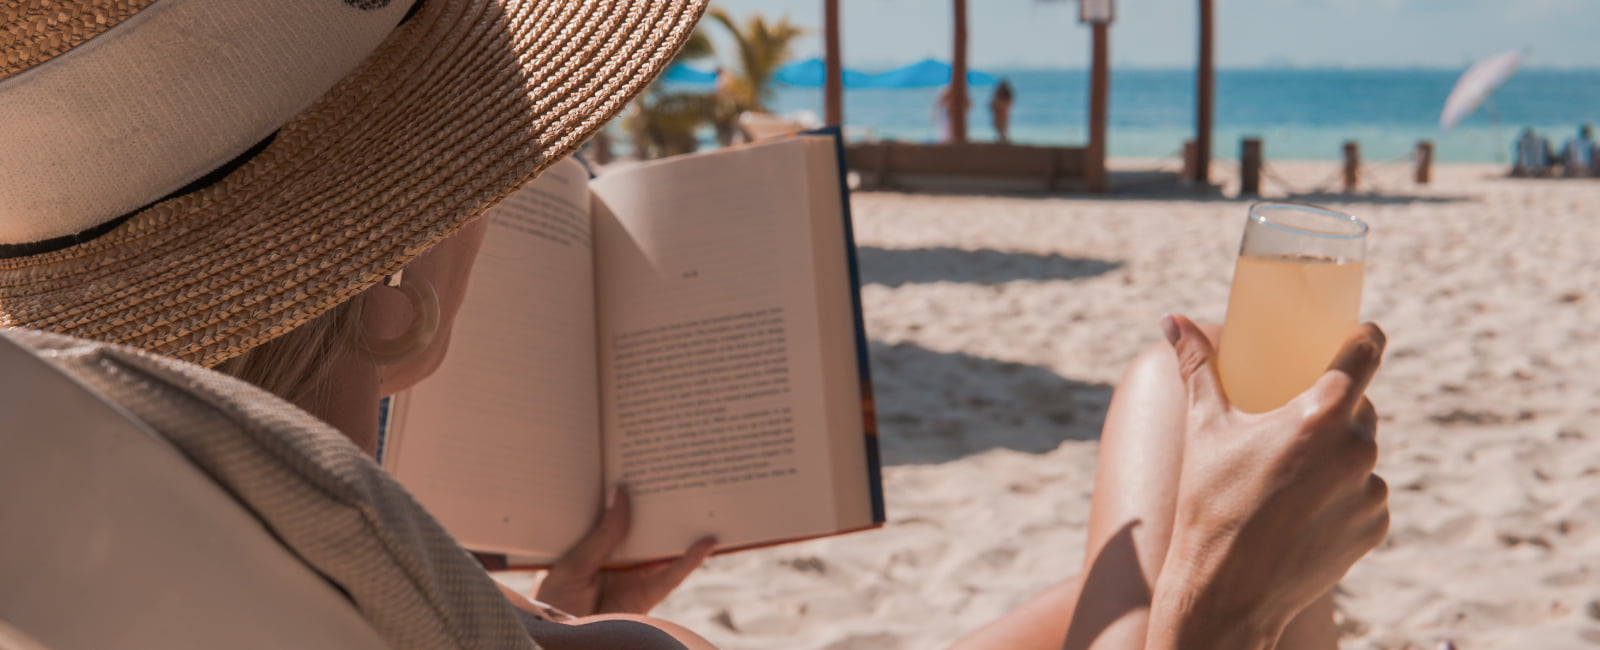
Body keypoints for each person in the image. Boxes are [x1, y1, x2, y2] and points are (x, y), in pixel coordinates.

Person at [0, 2, 1390, 649]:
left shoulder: (163, 520)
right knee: (1172, 396)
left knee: (1166, 413)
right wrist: (1214, 614)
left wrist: (534, 620)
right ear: (398, 288)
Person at [990, 78, 1015, 143]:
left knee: (1001, 126)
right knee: (1001, 126)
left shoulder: (1001, 93)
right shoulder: (1002, 93)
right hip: (1002, 112)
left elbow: (994, 104)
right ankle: (1002, 138)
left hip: (1001, 112)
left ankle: (1002, 138)